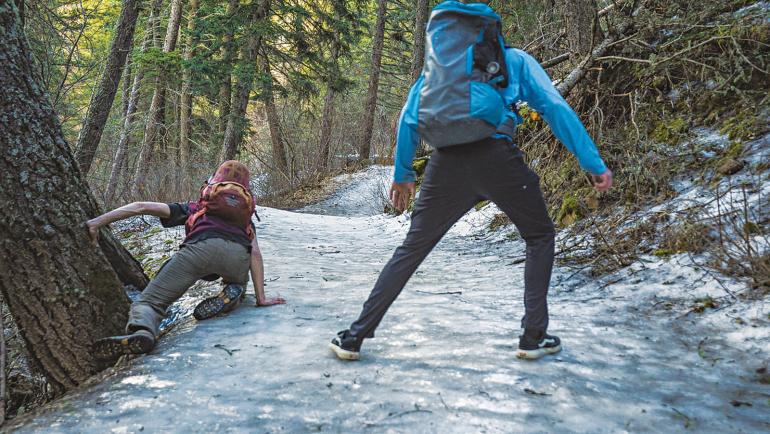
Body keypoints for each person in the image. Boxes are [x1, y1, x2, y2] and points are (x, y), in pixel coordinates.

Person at [330, 1, 612, 361]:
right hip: (497, 157)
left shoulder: (437, 73)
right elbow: (554, 107)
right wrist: (592, 162)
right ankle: (533, 336)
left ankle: (354, 337)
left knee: (412, 248)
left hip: (445, 164)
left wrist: (403, 175)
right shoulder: (512, 60)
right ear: (491, 29)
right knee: (539, 235)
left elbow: (408, 118)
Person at [88, 160, 285, 361]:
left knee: (150, 302)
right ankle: (230, 296)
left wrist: (97, 222)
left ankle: (143, 332)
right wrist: (261, 298)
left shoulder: (195, 207)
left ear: (211, 185)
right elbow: (255, 254)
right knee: (238, 286)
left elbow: (141, 207)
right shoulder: (245, 219)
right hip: (236, 257)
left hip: (198, 251)